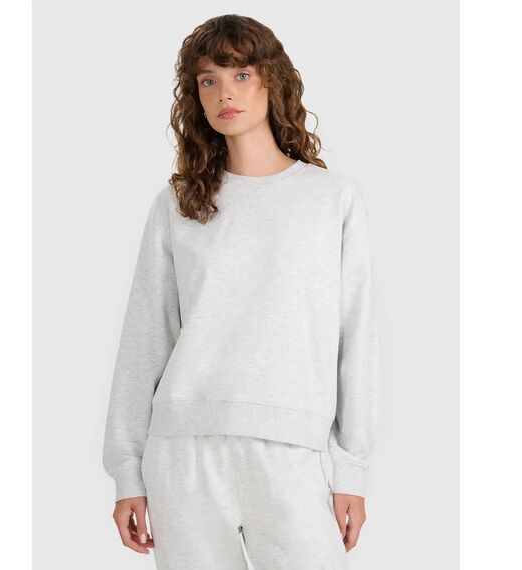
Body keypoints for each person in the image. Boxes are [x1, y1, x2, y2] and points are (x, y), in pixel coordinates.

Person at [102, 13, 381, 570]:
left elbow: (356, 335)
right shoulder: (178, 204)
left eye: (240, 75)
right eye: (208, 80)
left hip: (291, 451)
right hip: (184, 452)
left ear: (272, 81)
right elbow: (145, 337)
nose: (224, 93)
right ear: (196, 97)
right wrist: (127, 471)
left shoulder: (330, 199)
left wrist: (352, 468)